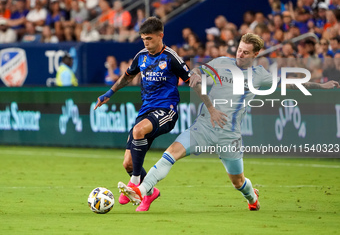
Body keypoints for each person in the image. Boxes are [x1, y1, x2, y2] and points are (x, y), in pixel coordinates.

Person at [118, 33, 340, 212]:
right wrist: (194, 74)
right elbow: (196, 70)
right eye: (239, 50)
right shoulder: (222, 62)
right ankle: (141, 190)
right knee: (170, 154)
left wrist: (321, 86)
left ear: (256, 54)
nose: (240, 55)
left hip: (229, 135)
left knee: (238, 182)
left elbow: (290, 84)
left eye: (245, 52)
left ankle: (252, 198)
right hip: (203, 126)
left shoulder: (259, 75)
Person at [94, 16, 224, 212]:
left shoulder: (171, 57)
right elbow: (127, 77)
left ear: (160, 36)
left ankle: (135, 183)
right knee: (128, 163)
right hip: (146, 111)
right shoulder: (141, 56)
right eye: (143, 39)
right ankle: (150, 193)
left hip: (167, 111)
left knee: (138, 131)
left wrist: (211, 109)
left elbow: (194, 84)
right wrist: (109, 93)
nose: (146, 43)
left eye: (149, 39)